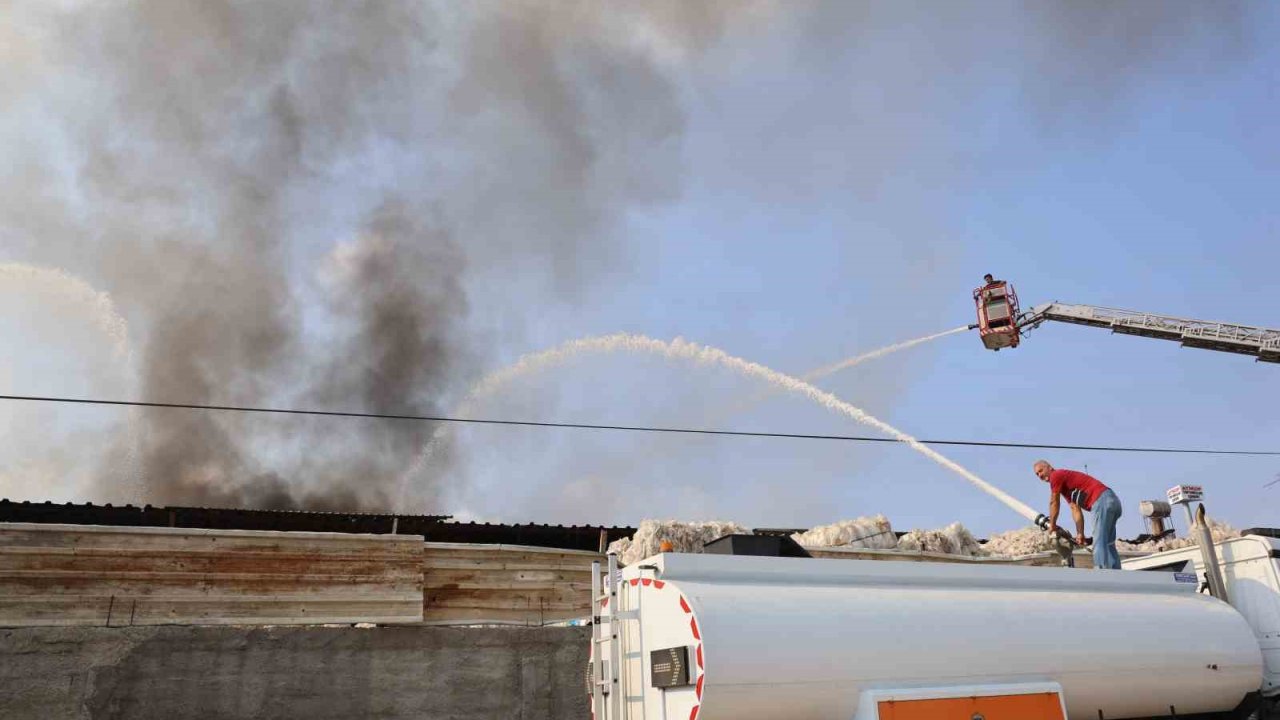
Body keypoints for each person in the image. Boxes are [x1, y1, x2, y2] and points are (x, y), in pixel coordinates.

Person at [1033, 460, 1123, 569]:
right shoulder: (1066, 487)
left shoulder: (1056, 476)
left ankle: (1101, 572)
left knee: (1098, 541)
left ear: (1049, 467)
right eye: (1037, 474)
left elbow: (1054, 502)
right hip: (1113, 501)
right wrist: (1080, 534)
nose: (1040, 475)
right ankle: (1116, 573)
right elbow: (1075, 509)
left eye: (1041, 471)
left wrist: (1052, 524)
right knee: (1108, 543)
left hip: (1101, 501)